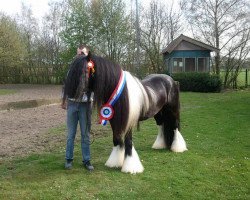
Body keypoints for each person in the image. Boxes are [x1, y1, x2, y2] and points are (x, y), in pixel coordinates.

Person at [61, 44, 94, 171]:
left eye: (82, 54)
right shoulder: (71, 69)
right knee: (71, 134)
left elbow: (96, 87)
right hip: (72, 104)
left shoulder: (92, 70)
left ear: (87, 55)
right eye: (78, 53)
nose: (80, 56)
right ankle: (68, 159)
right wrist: (63, 101)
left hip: (86, 106)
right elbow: (65, 86)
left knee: (85, 134)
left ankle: (87, 160)